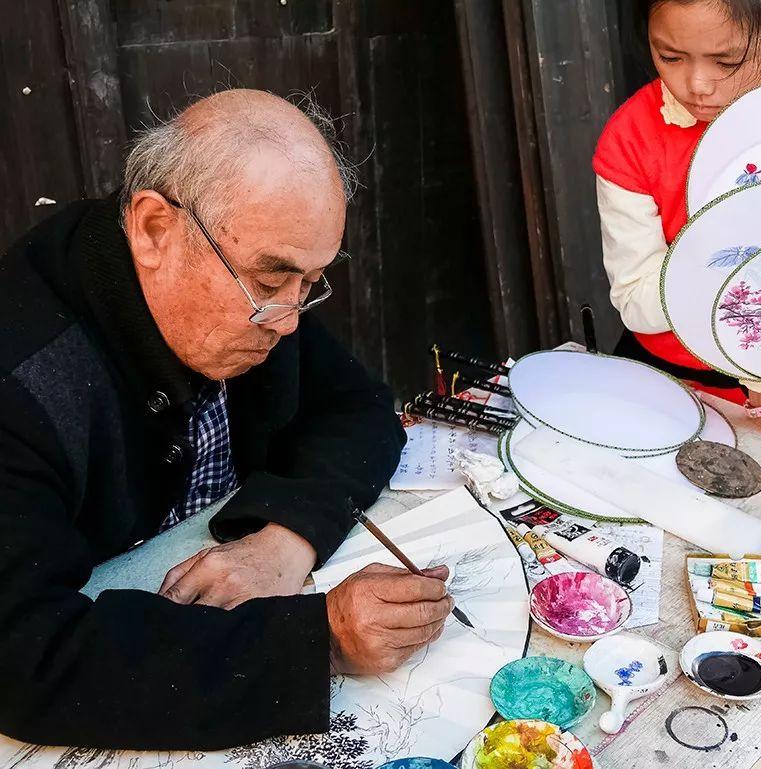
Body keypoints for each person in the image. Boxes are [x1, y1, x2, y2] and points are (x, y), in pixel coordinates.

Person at [0, 90, 454, 750]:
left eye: (310, 282)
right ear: (155, 230)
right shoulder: (23, 377)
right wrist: (319, 640)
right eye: (271, 283)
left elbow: (357, 406)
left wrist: (286, 540)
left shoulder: (248, 274)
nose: (290, 321)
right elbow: (26, 659)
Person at [593, 0, 761, 439]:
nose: (697, 85)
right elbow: (638, 301)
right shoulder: (630, 139)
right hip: (675, 377)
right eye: (670, 56)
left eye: (727, 61)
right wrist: (743, 263)